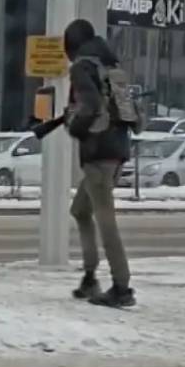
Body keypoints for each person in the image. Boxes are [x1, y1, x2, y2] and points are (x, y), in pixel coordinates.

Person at [62, 17, 135, 308]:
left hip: (98, 153)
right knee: (80, 210)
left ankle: (121, 286)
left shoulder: (82, 67)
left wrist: (74, 126)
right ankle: (90, 277)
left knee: (105, 219)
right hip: (116, 150)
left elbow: (90, 107)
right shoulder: (110, 66)